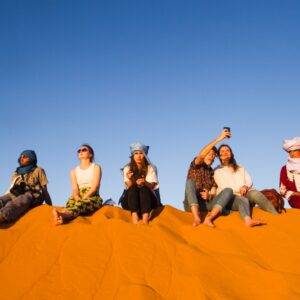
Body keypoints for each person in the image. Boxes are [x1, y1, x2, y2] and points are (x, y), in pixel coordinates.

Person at [183, 129, 237, 227]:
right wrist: (219, 138)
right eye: (209, 154)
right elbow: (202, 155)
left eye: (213, 155)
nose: (211, 156)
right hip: (191, 204)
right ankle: (196, 218)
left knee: (228, 190)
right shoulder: (196, 164)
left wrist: (209, 196)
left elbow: (213, 191)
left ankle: (209, 218)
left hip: (205, 205)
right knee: (190, 182)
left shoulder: (212, 172)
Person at [214, 144, 278, 220]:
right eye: (222, 151)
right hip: (231, 198)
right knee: (242, 200)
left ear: (231, 153)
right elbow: (223, 187)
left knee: (255, 194)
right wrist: (239, 191)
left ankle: (275, 214)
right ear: (219, 155)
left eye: (228, 150)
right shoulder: (217, 170)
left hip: (245, 193)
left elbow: (249, 180)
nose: (225, 152)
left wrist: (245, 187)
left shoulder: (240, 167)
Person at [53, 144, 102, 225]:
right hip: (77, 195)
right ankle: (61, 218)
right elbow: (75, 189)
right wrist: (77, 197)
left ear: (90, 154)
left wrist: (83, 198)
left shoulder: (96, 167)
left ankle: (62, 216)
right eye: (79, 151)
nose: (81, 151)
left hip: (93, 196)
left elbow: (94, 187)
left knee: (80, 204)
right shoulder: (73, 171)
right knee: (70, 204)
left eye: (84, 150)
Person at [0, 150, 52, 224]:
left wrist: (50, 207)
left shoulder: (38, 170)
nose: (21, 158)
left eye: (25, 157)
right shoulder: (16, 173)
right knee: (2, 200)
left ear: (31, 158)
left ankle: (2, 216)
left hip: (32, 196)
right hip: (14, 194)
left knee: (17, 202)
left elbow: (44, 190)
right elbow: (11, 187)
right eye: (21, 157)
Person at [121, 142, 160, 224]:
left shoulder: (150, 168)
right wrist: (131, 179)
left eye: (141, 153)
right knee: (133, 187)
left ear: (145, 155)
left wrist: (144, 182)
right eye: (136, 153)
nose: (138, 156)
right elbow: (129, 185)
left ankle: (145, 219)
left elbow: (152, 186)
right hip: (130, 201)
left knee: (144, 188)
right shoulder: (127, 168)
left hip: (149, 201)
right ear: (133, 155)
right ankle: (135, 217)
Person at [280, 137, 300, 208]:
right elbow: (282, 190)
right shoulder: (285, 169)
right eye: (289, 151)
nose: (291, 153)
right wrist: (293, 194)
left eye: (294, 150)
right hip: (296, 202)